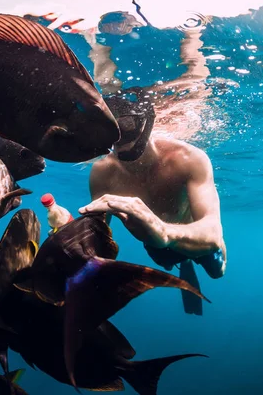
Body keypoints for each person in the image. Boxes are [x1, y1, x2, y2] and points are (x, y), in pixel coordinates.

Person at [79, 24, 226, 316]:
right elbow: (95, 239)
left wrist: (164, 231)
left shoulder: (188, 158)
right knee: (166, 260)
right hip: (157, 244)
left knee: (216, 271)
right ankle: (181, 264)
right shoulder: (101, 173)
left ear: (146, 124)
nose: (118, 143)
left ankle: (193, 30)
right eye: (109, 132)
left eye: (127, 128)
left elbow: (212, 233)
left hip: (193, 238)